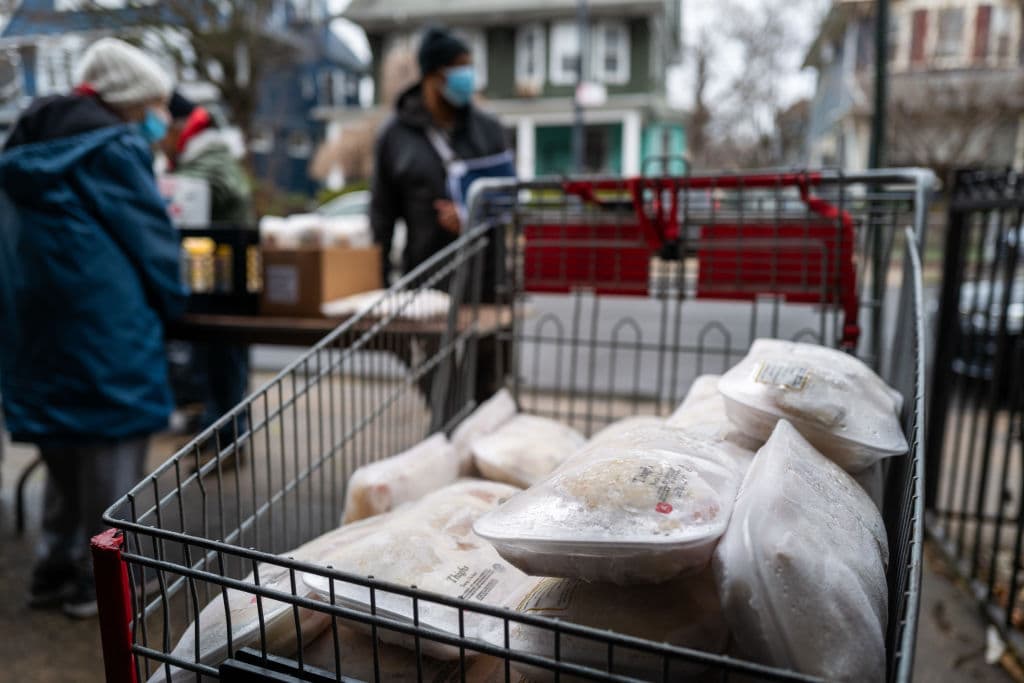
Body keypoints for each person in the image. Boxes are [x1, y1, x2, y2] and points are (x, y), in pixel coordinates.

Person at [0, 38, 186, 618]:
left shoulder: (25, 145)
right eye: (156, 104)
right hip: (106, 326)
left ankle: (53, 568)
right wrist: (176, 300)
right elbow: (150, 238)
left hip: (36, 323)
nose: (161, 118)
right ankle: (103, 582)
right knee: (113, 454)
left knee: (66, 448)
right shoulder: (113, 147)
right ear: (132, 99)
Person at [371, 26, 514, 405]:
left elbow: (510, 197)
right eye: (460, 68)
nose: (469, 77)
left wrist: (471, 214)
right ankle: (448, 443)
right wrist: (380, 282)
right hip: (430, 282)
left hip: (488, 279)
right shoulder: (395, 137)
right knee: (440, 392)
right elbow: (382, 215)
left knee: (491, 389)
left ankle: (482, 452)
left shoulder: (488, 129)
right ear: (433, 76)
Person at [161, 92, 253, 451]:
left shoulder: (207, 160)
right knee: (211, 360)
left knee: (226, 360)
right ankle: (215, 429)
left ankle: (230, 436)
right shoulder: (199, 158)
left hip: (226, 279)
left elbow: (196, 195)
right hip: (210, 278)